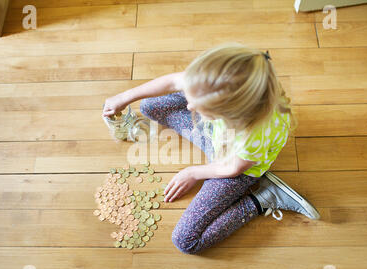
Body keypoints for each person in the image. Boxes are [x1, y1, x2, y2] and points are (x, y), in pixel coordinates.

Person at [103, 42, 320, 255]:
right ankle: (205, 114)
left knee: (185, 242)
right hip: (219, 141)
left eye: (200, 106)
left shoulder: (252, 135)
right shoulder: (218, 78)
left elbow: (232, 168)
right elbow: (171, 82)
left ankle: (263, 199)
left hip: (237, 169)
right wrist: (124, 97)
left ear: (230, 115)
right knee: (148, 105)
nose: (189, 107)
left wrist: (193, 172)